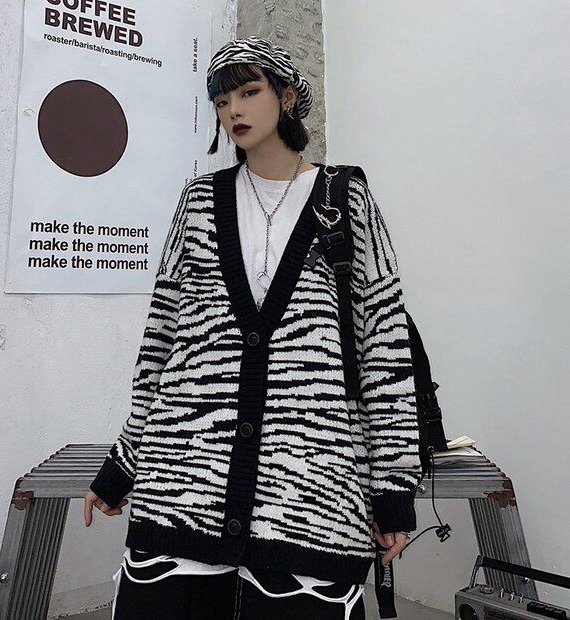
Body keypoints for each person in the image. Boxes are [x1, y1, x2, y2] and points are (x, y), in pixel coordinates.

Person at [84, 35, 422, 619]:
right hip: (184, 488)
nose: (233, 110)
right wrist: (124, 462)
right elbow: (161, 341)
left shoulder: (346, 199)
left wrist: (392, 491)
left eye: (248, 92)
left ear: (287, 96)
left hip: (310, 498)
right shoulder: (199, 201)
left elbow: (384, 348)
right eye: (221, 100)